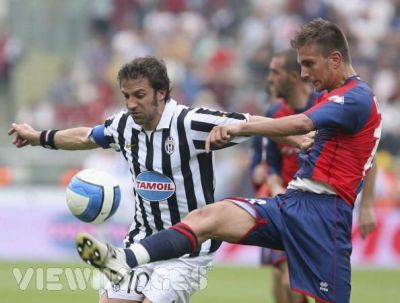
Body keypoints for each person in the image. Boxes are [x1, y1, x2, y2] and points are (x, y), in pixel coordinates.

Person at [59, 18, 379, 303]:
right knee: (209, 216)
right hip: (293, 202)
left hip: (325, 216)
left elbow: (302, 123)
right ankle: (125, 258)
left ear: (335, 59)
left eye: (309, 64)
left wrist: (240, 126)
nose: (304, 73)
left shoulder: (355, 97)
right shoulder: (332, 96)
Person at [8, 56, 259, 303]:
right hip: (141, 242)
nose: (130, 104)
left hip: (188, 247)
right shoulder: (124, 125)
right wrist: (38, 137)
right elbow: (86, 136)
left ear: (161, 93)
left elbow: (252, 124)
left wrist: (297, 133)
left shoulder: (191, 122)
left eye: (139, 95)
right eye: (126, 96)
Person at [250, 49, 378, 303]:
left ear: (293, 76)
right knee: (281, 279)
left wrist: (367, 206)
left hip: (318, 206)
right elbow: (271, 167)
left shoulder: (324, 106)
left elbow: (368, 156)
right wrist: (274, 186)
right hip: (283, 203)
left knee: (296, 282)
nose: (271, 78)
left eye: (276, 72)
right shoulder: (274, 112)